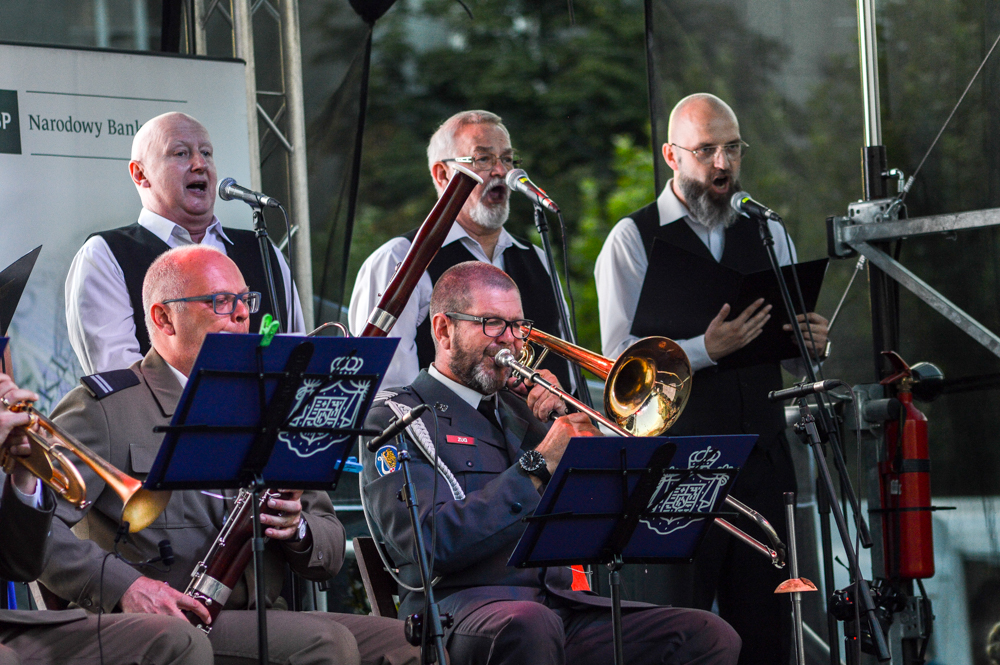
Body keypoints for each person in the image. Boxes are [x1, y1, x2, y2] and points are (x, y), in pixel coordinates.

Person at [41, 246, 419, 665]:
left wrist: (296, 530)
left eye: (245, 301)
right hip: (168, 625)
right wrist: (125, 587)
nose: (242, 315)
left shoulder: (274, 399)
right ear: (163, 318)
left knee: (408, 645)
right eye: (221, 301)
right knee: (325, 643)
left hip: (265, 617)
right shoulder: (105, 409)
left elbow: (328, 544)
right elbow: (32, 526)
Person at [360, 261, 741, 665]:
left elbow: (598, 520)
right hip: (458, 610)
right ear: (443, 330)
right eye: (492, 324)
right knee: (531, 624)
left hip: (560, 606)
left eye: (518, 326)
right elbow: (426, 543)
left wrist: (563, 431)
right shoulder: (395, 416)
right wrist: (538, 463)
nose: (510, 341)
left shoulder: (523, 411)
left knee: (708, 635)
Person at [594, 92, 829, 664]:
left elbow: (789, 344)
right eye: (707, 151)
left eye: (732, 148)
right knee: (681, 625)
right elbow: (617, 362)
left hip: (762, 459)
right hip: (679, 464)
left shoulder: (766, 231)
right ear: (672, 156)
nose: (723, 164)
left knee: (768, 628)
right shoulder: (634, 238)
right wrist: (705, 349)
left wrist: (810, 345)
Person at [66, 111, 305, 377]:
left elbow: (299, 354)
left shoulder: (262, 250)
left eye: (206, 153)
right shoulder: (105, 255)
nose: (200, 164)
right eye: (181, 153)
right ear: (140, 174)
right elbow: (120, 378)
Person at [349, 109, 574, 392]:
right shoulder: (397, 258)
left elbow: (567, 373)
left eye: (507, 159)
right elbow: (388, 391)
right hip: (436, 432)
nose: (502, 172)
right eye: (482, 159)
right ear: (442, 174)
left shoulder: (539, 260)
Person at [0, 373, 213, 665]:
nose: (240, 322)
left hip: (14, 628)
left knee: (178, 640)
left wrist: (24, 474)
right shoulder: (105, 405)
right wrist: (124, 585)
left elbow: (21, 565)